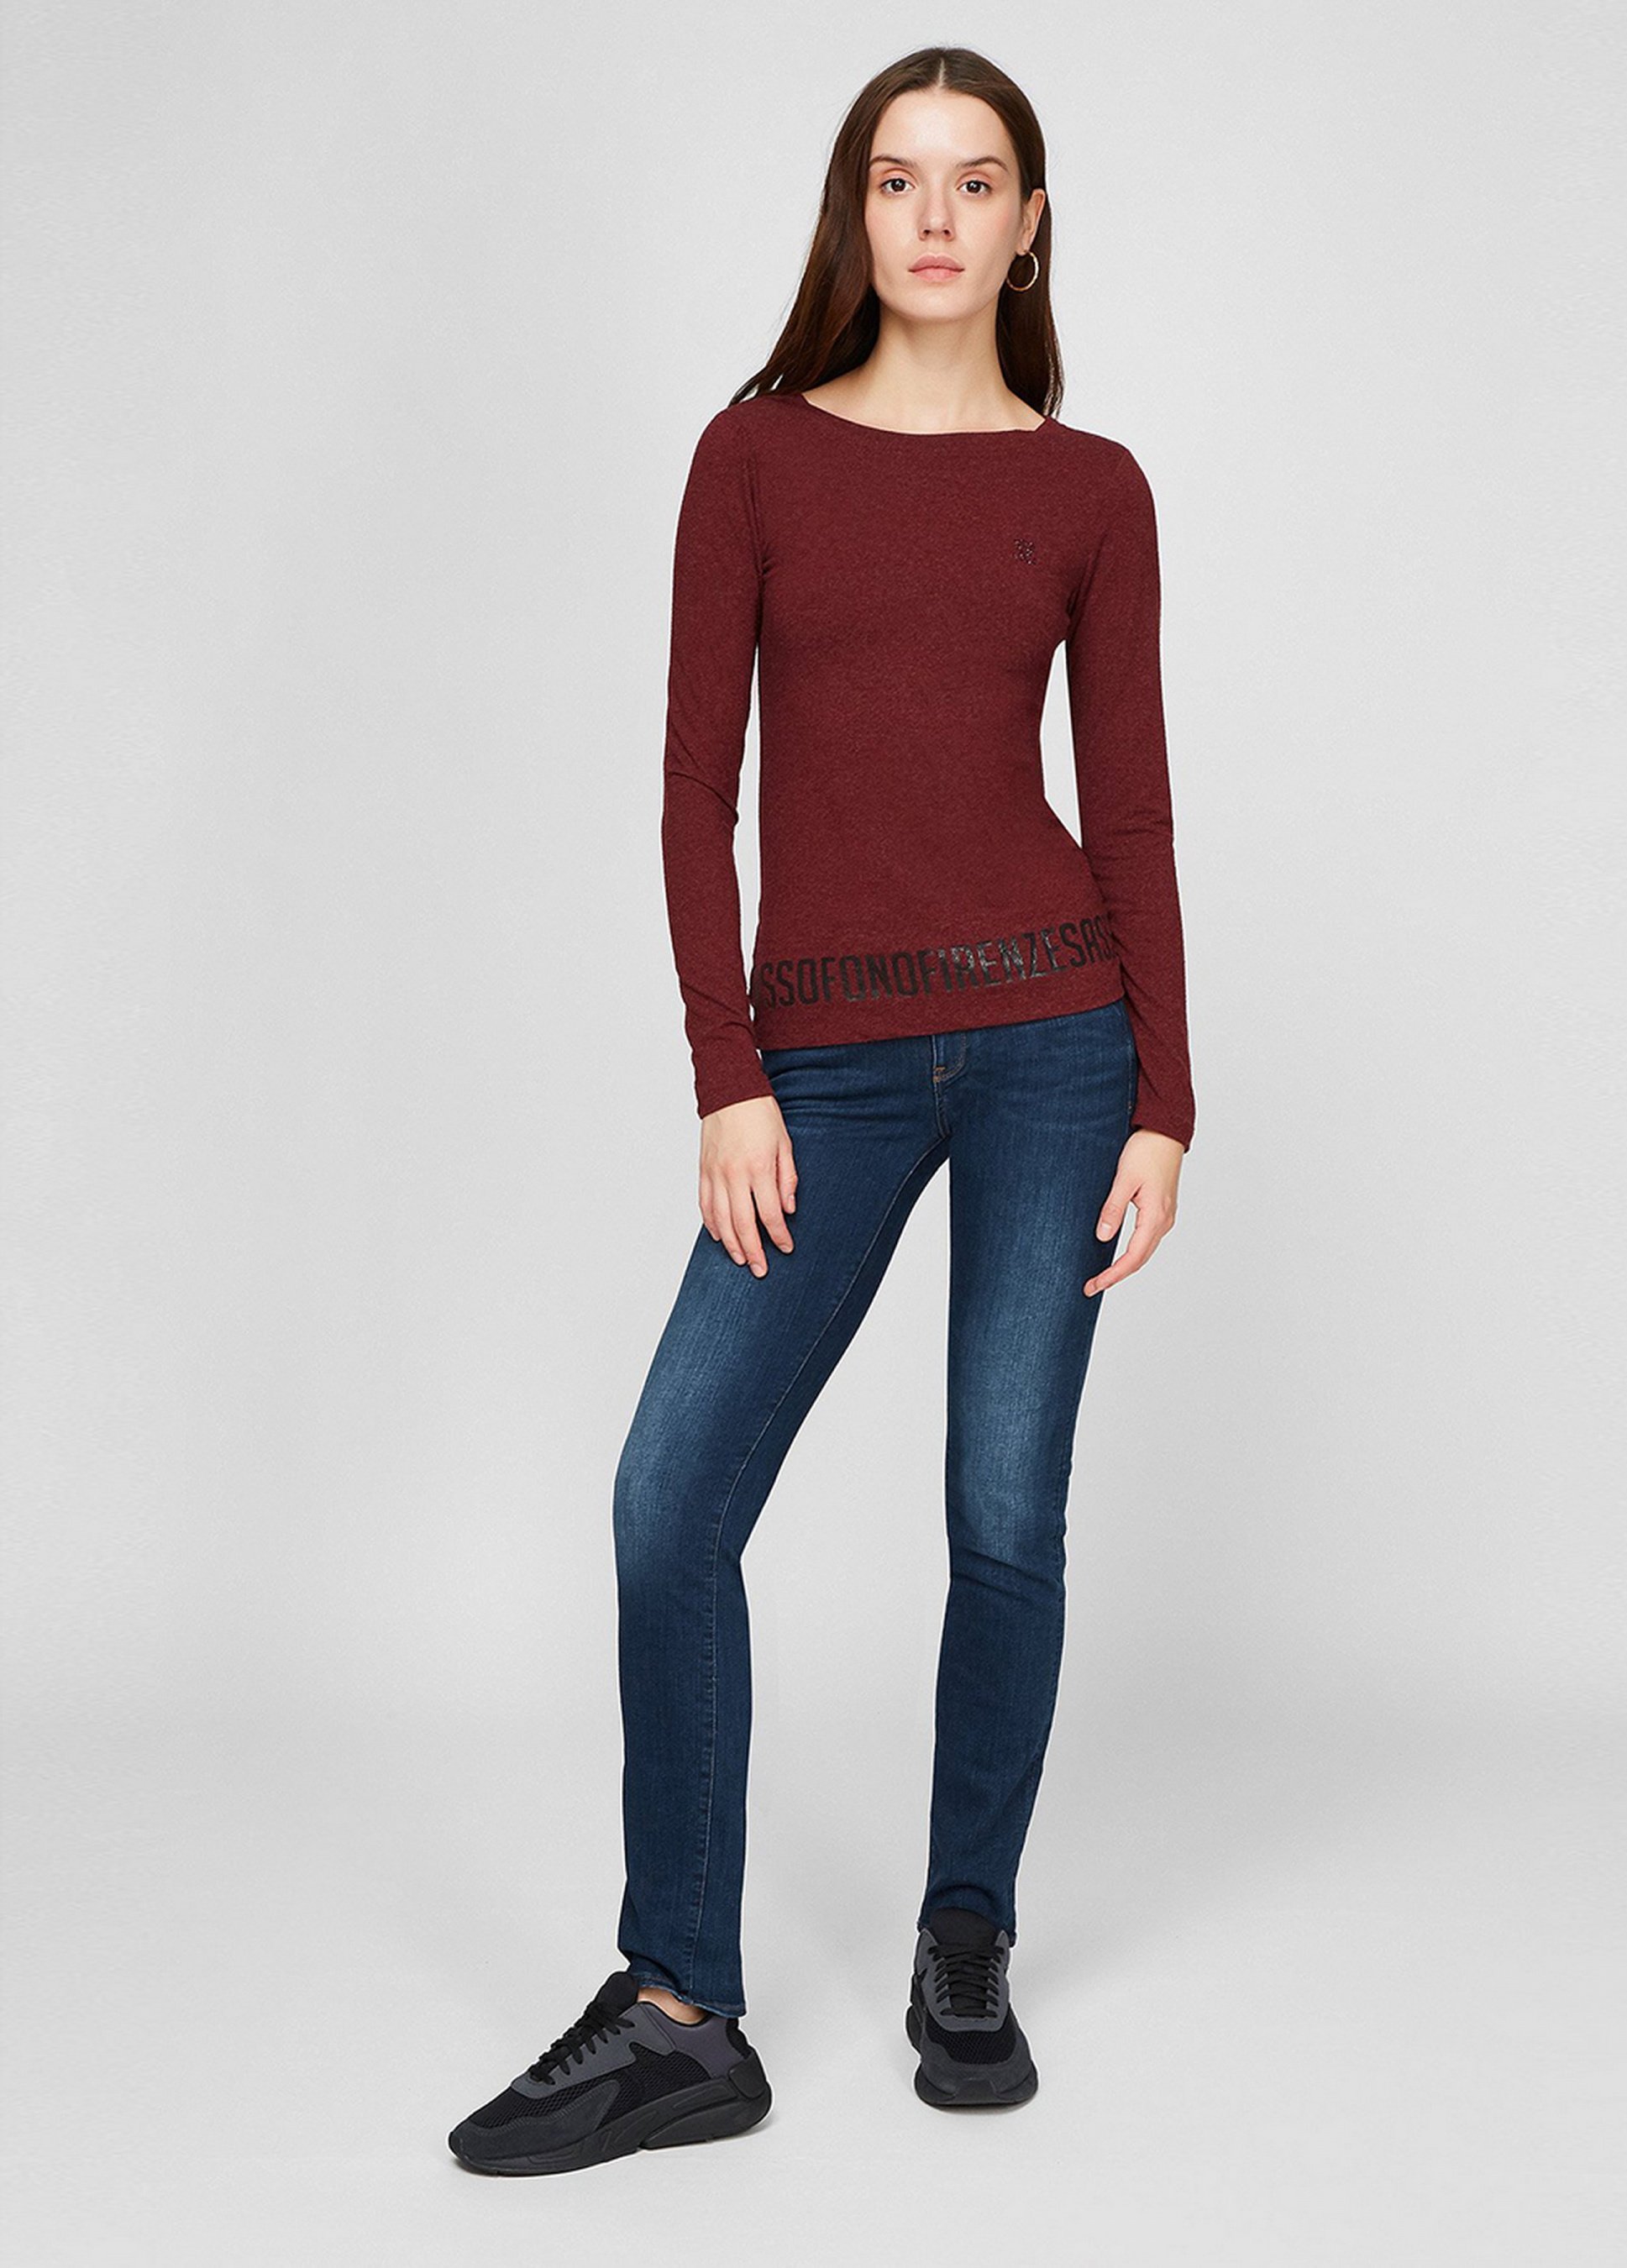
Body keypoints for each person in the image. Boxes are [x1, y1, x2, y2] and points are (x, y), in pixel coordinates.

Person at [449, 42, 1195, 2177]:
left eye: (973, 181)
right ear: (852, 214)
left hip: (1057, 1044)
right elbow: (696, 782)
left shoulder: (1093, 487)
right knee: (669, 1500)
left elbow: (1129, 808)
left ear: (1028, 226)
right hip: (824, 1073)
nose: (933, 216)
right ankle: (682, 2008)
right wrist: (728, 1075)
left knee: (1002, 1511)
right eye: (895, 178)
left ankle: (965, 1935)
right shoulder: (754, 454)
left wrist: (1164, 1094)